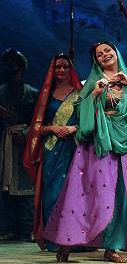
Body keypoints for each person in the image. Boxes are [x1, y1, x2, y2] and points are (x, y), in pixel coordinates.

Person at [44, 41, 127, 263]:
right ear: (96, 61)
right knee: (88, 196)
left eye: (108, 51)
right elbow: (80, 113)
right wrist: (95, 94)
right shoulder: (92, 82)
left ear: (116, 52)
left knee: (119, 197)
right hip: (96, 147)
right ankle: (67, 242)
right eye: (99, 55)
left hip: (124, 147)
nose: (105, 56)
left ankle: (112, 247)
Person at [23, 54, 82, 251]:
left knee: (73, 194)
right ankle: (54, 239)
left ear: (70, 69)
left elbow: (88, 123)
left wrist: (73, 129)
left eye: (65, 67)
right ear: (53, 70)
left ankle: (74, 241)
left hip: (73, 149)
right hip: (51, 149)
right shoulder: (45, 95)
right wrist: (53, 129)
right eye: (58, 67)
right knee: (52, 194)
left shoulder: (79, 94)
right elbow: (36, 127)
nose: (62, 70)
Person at [0, 48, 39, 242]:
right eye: (6, 63)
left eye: (12, 64)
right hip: (5, 142)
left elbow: (39, 120)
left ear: (21, 67)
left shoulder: (32, 93)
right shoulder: (1, 92)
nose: (9, 68)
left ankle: (29, 227)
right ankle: (11, 227)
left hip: (25, 143)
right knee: (6, 185)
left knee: (26, 185)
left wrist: (25, 134)